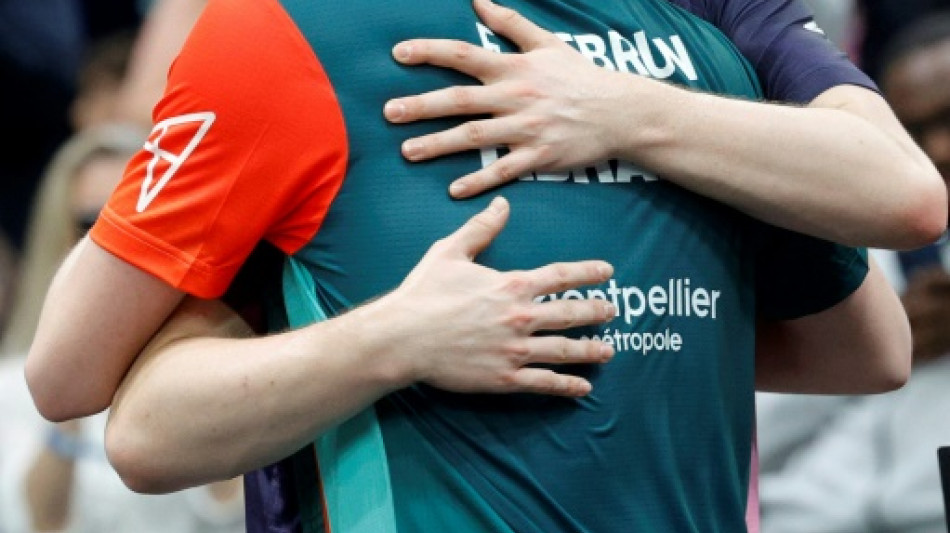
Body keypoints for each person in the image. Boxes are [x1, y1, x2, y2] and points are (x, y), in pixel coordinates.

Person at [25, 0, 945, 531]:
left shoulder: (715, 37)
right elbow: (92, 395)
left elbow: (869, 335)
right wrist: (397, 339)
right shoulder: (291, 33)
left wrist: (627, 120)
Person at [0, 124, 245, 533]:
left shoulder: (203, 359)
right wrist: (68, 379)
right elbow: (38, 523)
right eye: (91, 225)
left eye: (137, 223)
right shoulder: (10, 387)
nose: (114, 249)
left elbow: (229, 511)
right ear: (59, 238)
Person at [758, 12, 950, 533]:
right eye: (915, 130)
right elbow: (759, 435)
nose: (939, 149)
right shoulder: (843, 243)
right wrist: (867, 335)